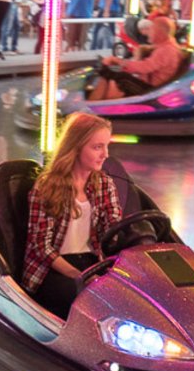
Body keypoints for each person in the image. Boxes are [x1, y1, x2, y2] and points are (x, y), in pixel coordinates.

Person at [21, 114, 123, 318]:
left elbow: (114, 228)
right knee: (87, 299)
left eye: (106, 146)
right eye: (97, 147)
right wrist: (79, 276)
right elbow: (41, 247)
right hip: (52, 268)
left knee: (123, 296)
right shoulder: (47, 187)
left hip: (92, 261)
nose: (105, 154)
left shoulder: (104, 184)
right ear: (76, 147)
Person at [89, 15, 185, 100]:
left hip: (151, 90)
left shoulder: (167, 50)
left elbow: (144, 67)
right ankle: (96, 104)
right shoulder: (166, 46)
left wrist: (119, 61)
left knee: (115, 76)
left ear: (159, 32)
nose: (148, 33)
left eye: (151, 30)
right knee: (109, 74)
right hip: (151, 86)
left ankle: (93, 107)